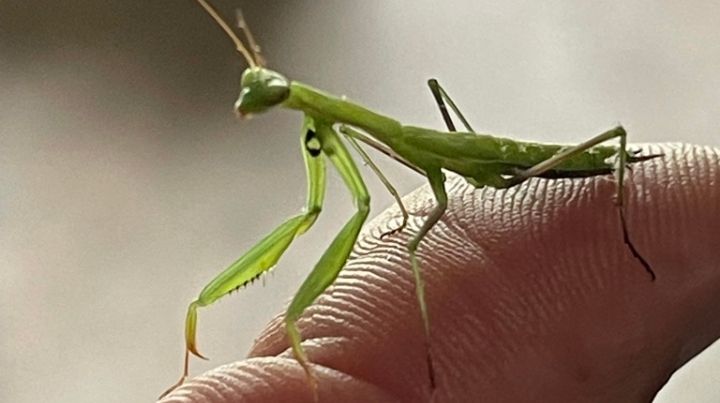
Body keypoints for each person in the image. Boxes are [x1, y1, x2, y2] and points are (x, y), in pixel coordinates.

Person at [160, 144, 719, 402]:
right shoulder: (334, 131)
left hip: (541, 169)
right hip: (488, 181)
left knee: (410, 256)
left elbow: (334, 206)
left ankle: (622, 228)